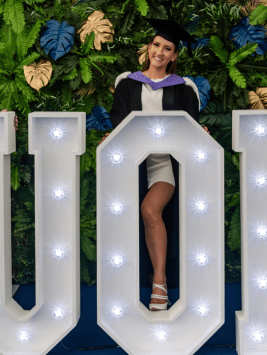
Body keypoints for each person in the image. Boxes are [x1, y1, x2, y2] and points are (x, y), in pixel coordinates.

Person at [101, 18, 209, 311]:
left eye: (168, 48)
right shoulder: (127, 84)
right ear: (150, 47)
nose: (160, 52)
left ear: (175, 56)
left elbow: (190, 128)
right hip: (132, 166)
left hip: (163, 165)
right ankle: (127, 287)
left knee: (150, 209)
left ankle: (159, 282)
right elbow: (119, 122)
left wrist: (201, 134)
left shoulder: (185, 89)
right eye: (157, 45)